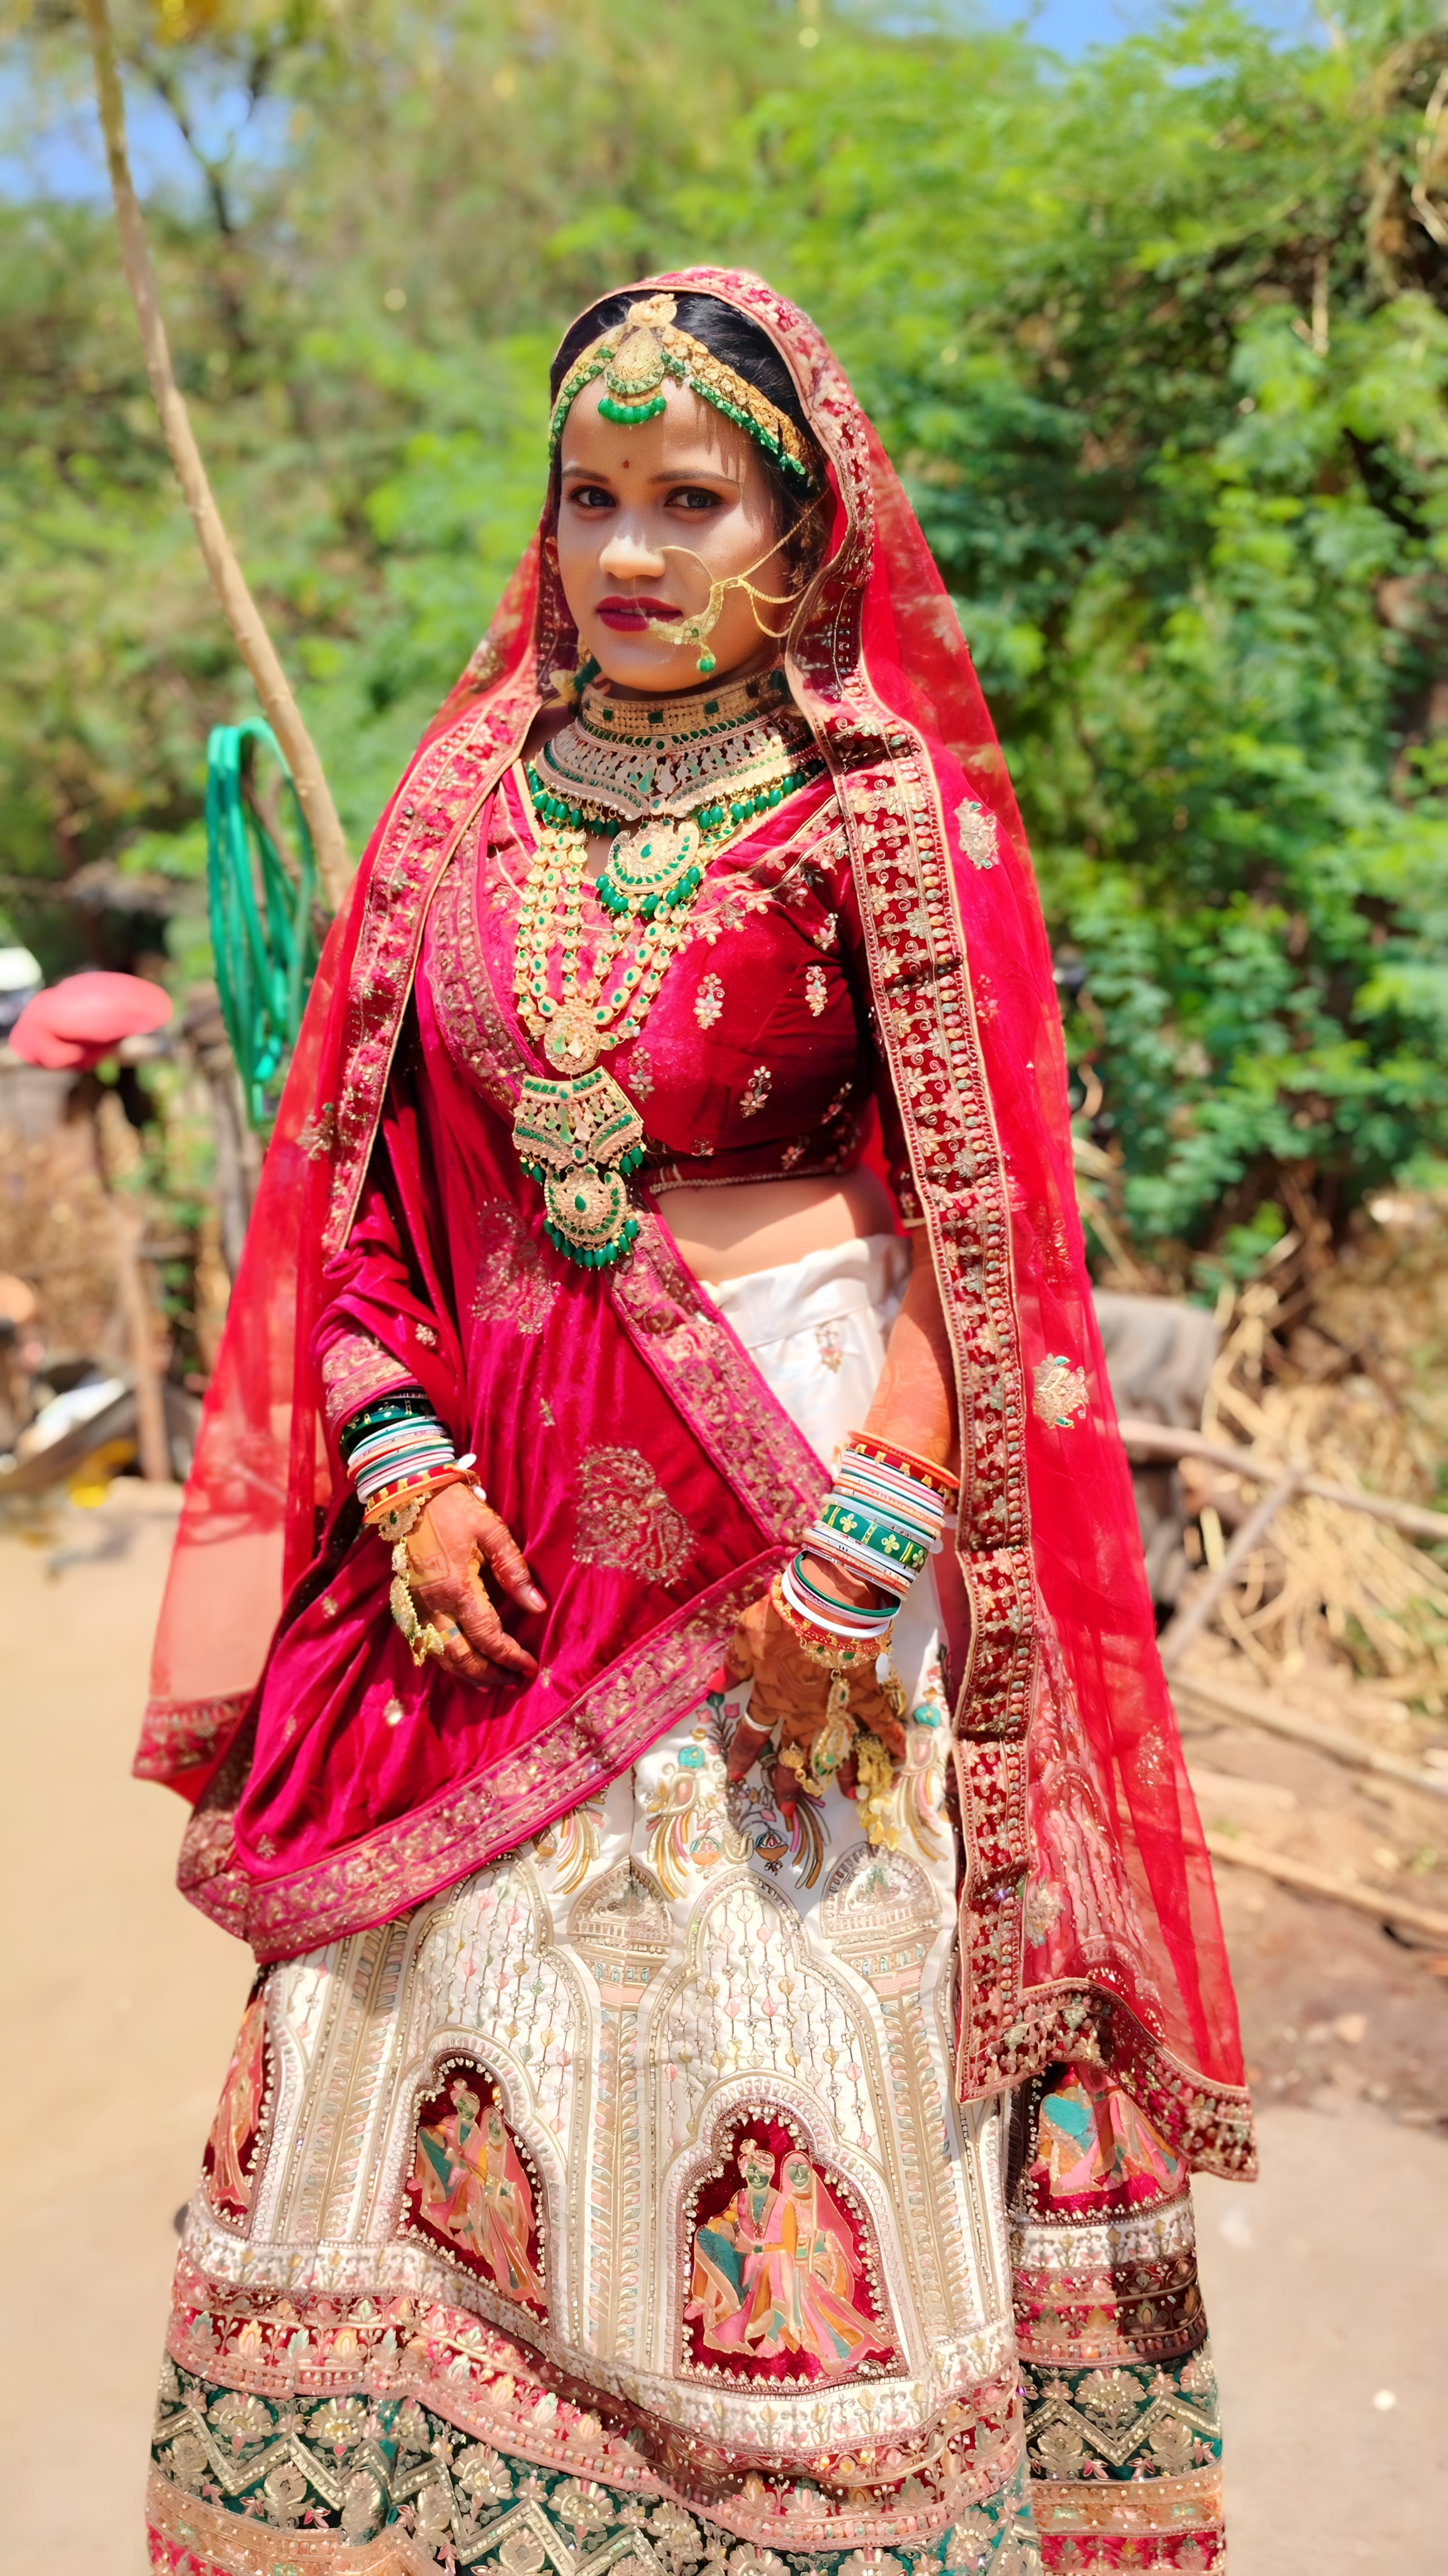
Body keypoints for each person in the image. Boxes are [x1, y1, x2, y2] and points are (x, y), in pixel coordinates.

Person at [139, 270, 1252, 2575]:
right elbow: (371, 1199)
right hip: (495, 1572)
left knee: (787, 2044)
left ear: (804, 528)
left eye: (690, 501)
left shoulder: (882, 815)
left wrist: (864, 1550)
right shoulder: (457, 809)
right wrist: (401, 1473)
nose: (629, 552)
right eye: (590, 499)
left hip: (797, 1519)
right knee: (427, 2073)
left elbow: (984, 1230)